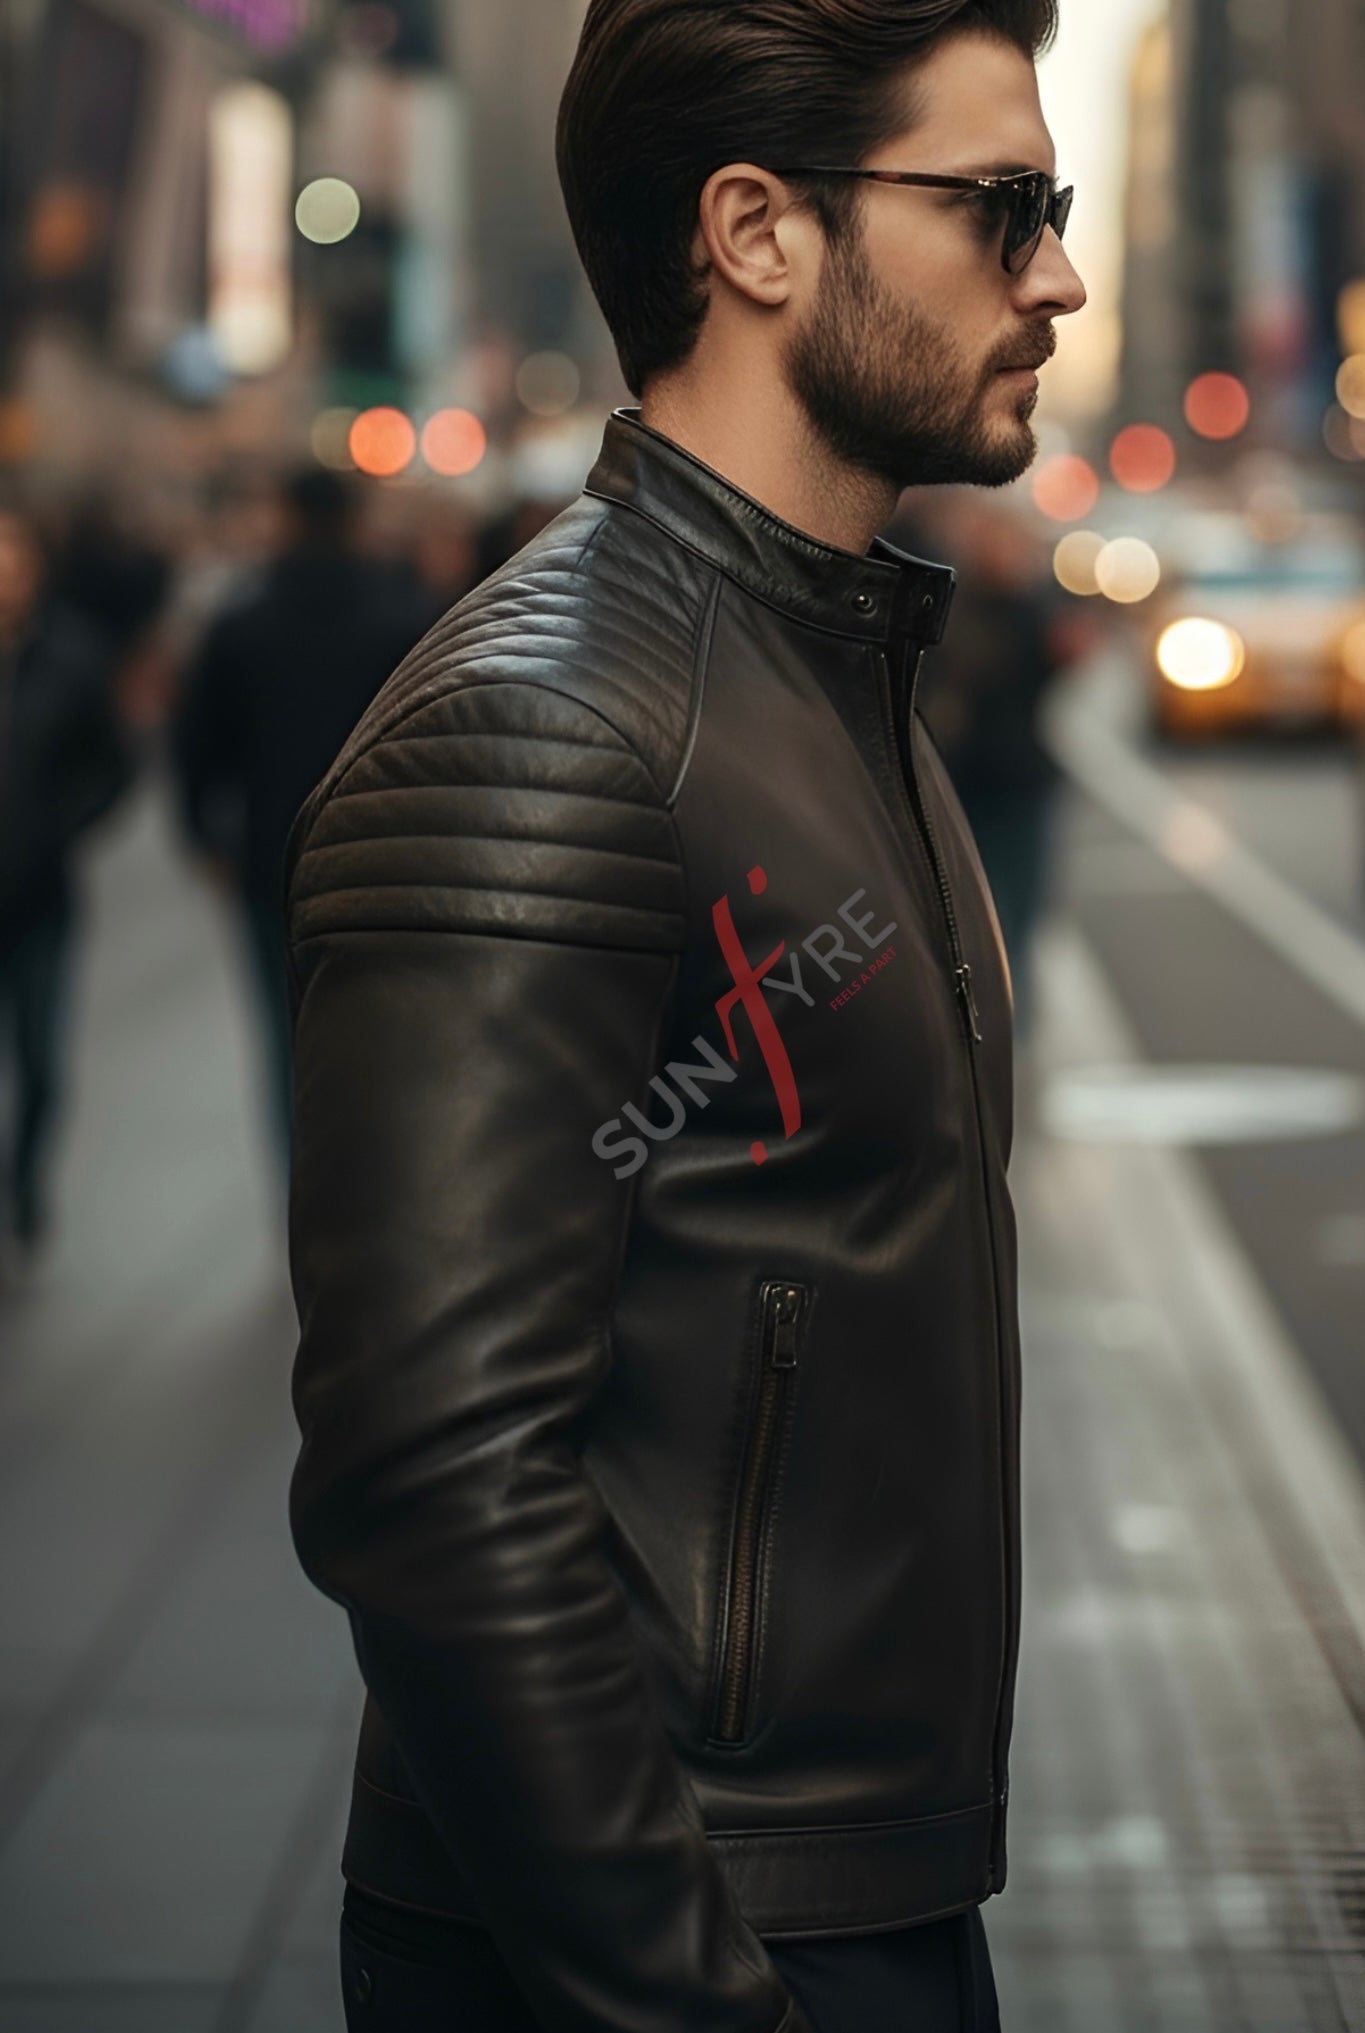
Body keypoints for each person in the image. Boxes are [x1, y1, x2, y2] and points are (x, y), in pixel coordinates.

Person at [284, 2, 1086, 2028]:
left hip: (849, 1883)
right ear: (755, 231)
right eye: (1001, 205)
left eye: (1058, 207)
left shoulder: (826, 669)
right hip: (676, 1929)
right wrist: (691, 1986)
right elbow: (436, 1477)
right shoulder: (551, 724)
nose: (1056, 276)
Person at [168, 467, 431, 1182]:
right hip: (384, 865)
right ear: (354, 520)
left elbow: (196, 752)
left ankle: (302, 1197)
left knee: (285, 1039)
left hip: (273, 864)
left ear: (285, 517)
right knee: (377, 1037)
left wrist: (205, 841)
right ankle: (371, 1188)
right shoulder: (403, 619)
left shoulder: (240, 626)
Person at [0, 503, 135, 1257]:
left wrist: (61, 825)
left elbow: (112, 763)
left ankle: (24, 1180)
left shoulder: (71, 657)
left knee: (40, 1060)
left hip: (39, 896)